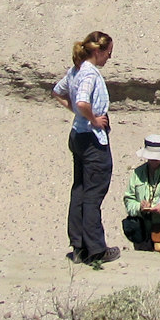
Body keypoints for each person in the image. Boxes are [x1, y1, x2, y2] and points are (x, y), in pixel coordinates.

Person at [52, 31, 120, 265]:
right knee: (93, 194)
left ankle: (79, 246)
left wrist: (79, 116)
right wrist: (92, 119)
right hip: (92, 138)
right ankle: (96, 249)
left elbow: (57, 92)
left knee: (79, 190)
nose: (109, 58)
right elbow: (82, 101)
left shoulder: (76, 70)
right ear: (98, 51)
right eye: (108, 53)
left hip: (77, 135)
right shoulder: (90, 73)